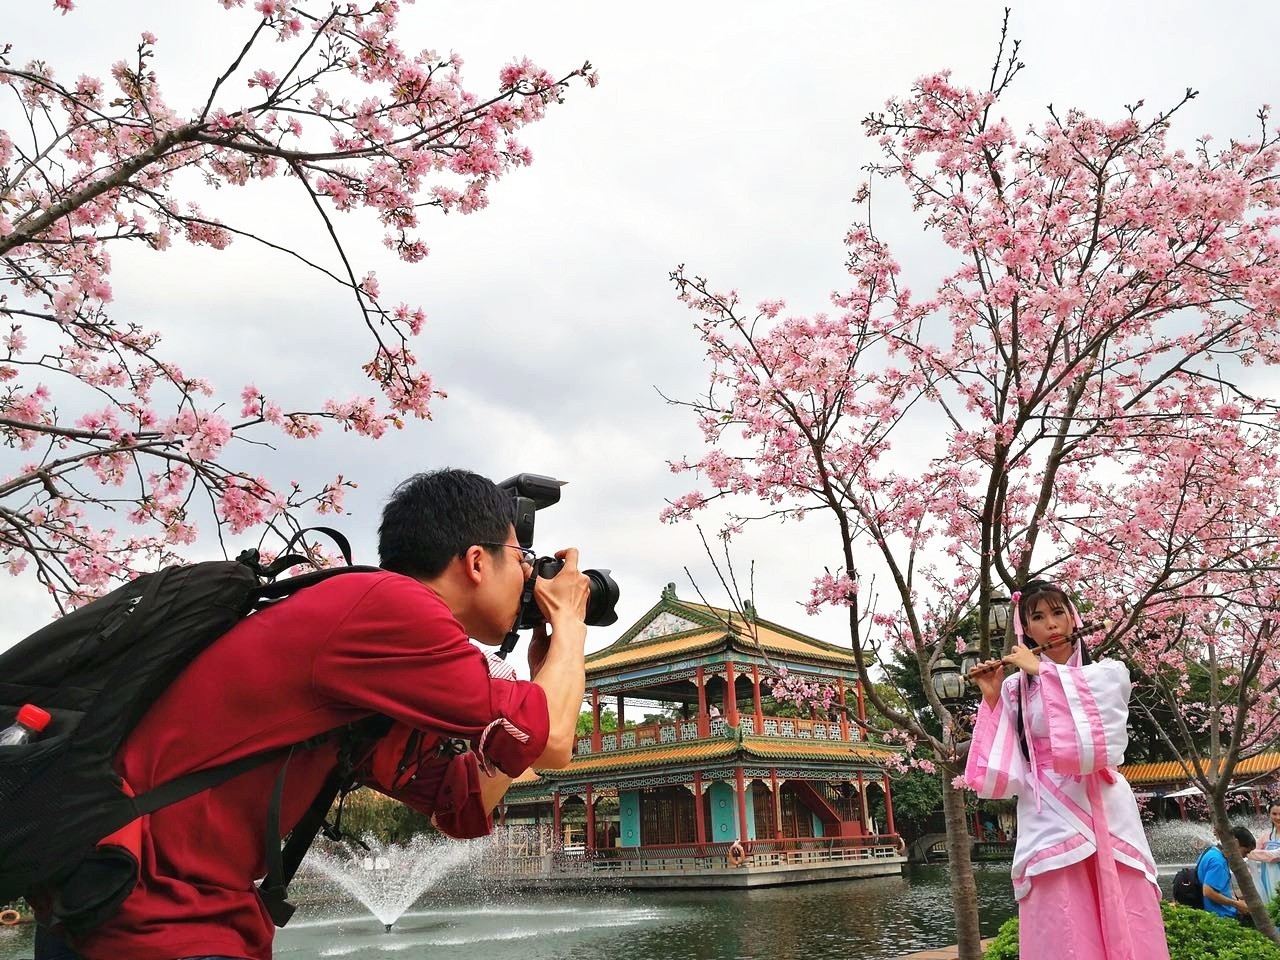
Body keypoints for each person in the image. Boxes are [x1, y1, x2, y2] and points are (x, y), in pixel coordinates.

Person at [33, 468, 591, 960]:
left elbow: (463, 801)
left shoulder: (377, 646)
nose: (529, 580)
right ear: (475, 560)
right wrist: (568, 626)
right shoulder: (395, 609)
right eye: (521, 561)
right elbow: (552, 741)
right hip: (159, 913)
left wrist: (555, 666)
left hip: (125, 904)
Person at [964, 580, 1169, 960]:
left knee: (1128, 899)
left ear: (1074, 619)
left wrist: (1044, 671)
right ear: (1025, 628)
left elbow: (1105, 728)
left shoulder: (1107, 673)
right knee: (1059, 907)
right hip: (1047, 806)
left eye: (1059, 613)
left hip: (1103, 802)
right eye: (1038, 617)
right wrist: (992, 695)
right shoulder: (1014, 687)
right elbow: (1005, 759)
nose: (1051, 625)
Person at [1200, 826, 1257, 922]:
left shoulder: (1211, 851)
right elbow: (1208, 892)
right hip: (1219, 917)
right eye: (1245, 851)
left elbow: (1218, 888)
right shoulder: (1218, 862)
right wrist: (1236, 904)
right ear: (1235, 843)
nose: (1245, 856)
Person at [1247, 802, 1280, 900]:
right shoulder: (1265, 836)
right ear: (1269, 814)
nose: (1278, 818)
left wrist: (1245, 851)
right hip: (1268, 877)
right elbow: (1252, 849)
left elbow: (1274, 856)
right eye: (1274, 814)